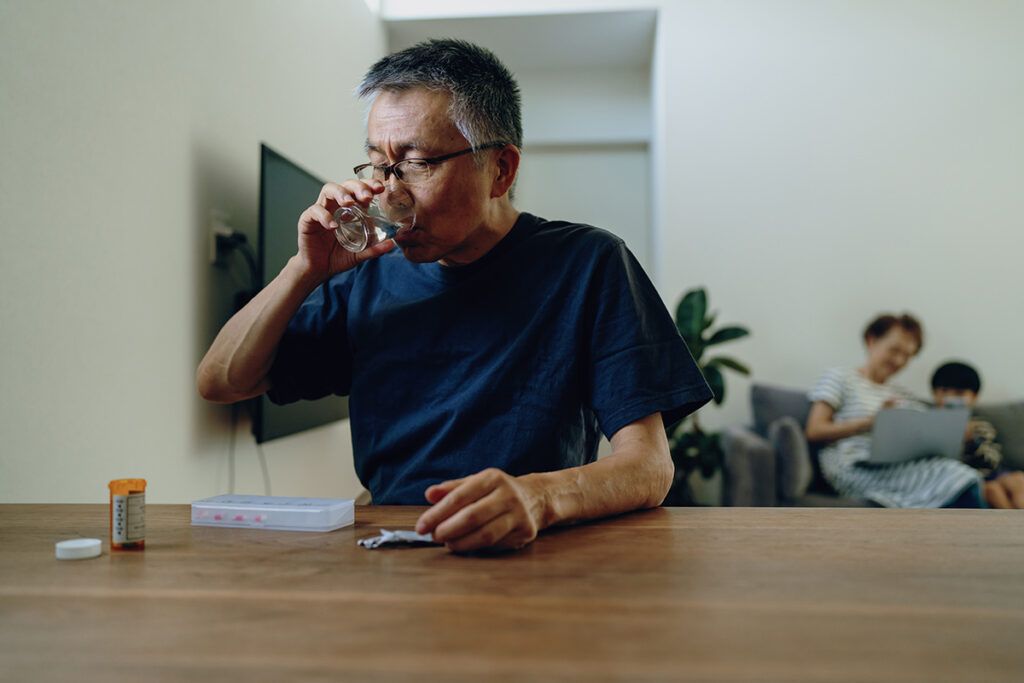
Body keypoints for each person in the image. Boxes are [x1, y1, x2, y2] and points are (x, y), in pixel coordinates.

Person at [196, 39, 711, 552]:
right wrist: (303, 270)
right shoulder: (367, 276)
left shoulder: (588, 263)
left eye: (417, 163)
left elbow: (648, 467)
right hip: (393, 549)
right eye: (378, 164)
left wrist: (537, 497)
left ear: (501, 170)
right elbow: (222, 381)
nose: (390, 192)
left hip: (531, 548)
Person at [804, 313, 984, 507]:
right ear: (871, 340)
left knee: (962, 476)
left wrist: (955, 433)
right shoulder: (839, 377)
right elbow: (814, 431)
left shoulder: (902, 395)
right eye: (894, 350)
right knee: (959, 477)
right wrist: (870, 423)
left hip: (897, 464)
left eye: (907, 356)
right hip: (855, 467)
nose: (898, 361)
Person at [931, 361, 1024, 509]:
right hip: (964, 479)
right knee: (992, 491)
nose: (950, 398)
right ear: (934, 394)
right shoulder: (929, 425)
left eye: (959, 393)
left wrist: (973, 440)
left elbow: (992, 461)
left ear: (974, 398)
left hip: (990, 473)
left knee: (1019, 479)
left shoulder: (980, 427)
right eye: (944, 390)